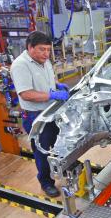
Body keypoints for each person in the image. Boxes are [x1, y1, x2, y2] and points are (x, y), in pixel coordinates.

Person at [10, 31, 70, 198]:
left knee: (59, 143)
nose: (46, 53)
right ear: (30, 47)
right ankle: (46, 182)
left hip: (52, 111)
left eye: (48, 50)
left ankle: (63, 167)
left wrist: (57, 86)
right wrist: (52, 95)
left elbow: (47, 81)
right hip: (36, 116)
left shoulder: (44, 61)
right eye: (42, 49)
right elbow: (26, 94)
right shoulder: (20, 65)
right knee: (42, 150)